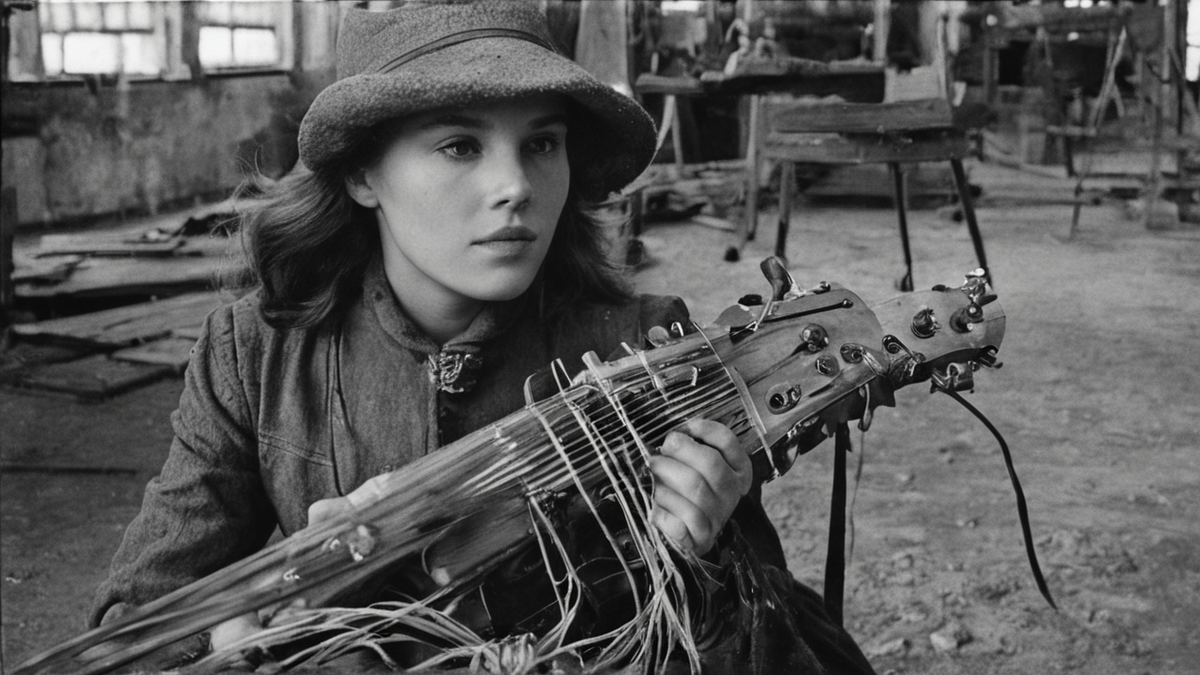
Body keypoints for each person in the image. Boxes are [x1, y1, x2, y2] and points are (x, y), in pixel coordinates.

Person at [89, 2, 876, 674]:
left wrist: (705, 560)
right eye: (460, 145)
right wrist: (242, 642)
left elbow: (779, 643)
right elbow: (130, 625)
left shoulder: (644, 350)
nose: (516, 188)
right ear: (364, 176)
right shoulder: (254, 354)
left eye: (541, 143)